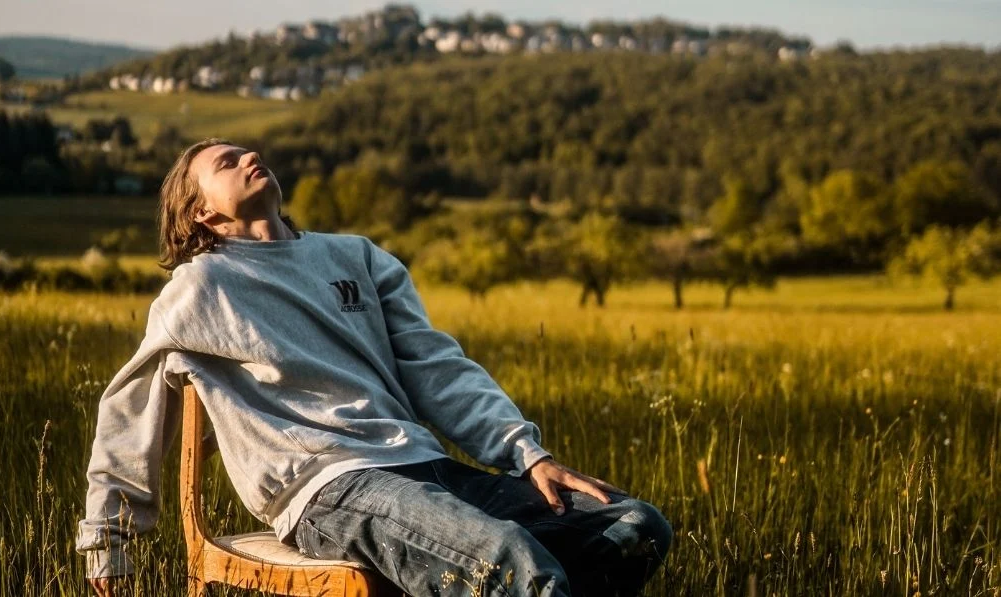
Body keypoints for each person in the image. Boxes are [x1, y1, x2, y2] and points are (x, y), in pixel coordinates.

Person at [75, 138, 673, 597]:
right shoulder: (203, 286)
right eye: (227, 163)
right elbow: (131, 407)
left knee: (634, 528)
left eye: (247, 151)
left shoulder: (354, 255)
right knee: (510, 560)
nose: (250, 155)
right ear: (200, 213)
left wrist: (527, 454)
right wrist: (108, 536)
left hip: (426, 465)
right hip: (331, 487)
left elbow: (436, 364)